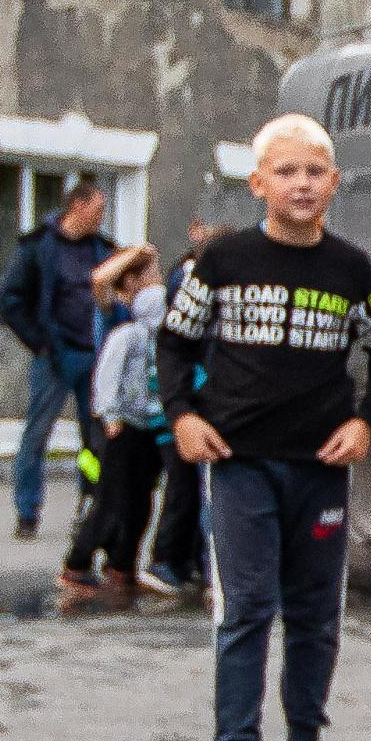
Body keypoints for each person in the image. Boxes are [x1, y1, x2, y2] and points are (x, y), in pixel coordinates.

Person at [159, 115, 371, 741]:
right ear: (258, 183)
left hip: (320, 467)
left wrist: (366, 422)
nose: (301, 184)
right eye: (287, 172)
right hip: (240, 464)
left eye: (314, 172)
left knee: (314, 612)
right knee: (244, 609)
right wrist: (183, 416)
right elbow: (175, 343)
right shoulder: (224, 261)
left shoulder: (352, 269)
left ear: (334, 183)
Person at [0, 180, 116, 540]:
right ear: (77, 206)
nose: (102, 215)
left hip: (93, 356)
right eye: (98, 208)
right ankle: (27, 511)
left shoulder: (102, 249)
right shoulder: (39, 247)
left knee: (94, 440)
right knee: (37, 435)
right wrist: (39, 343)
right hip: (54, 357)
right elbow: (10, 299)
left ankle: (89, 502)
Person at [65, 276, 172, 594]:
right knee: (110, 498)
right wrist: (109, 416)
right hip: (121, 424)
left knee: (140, 501)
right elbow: (106, 376)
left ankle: (123, 563)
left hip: (150, 426)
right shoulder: (127, 336)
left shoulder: (167, 344)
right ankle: (78, 562)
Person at [144, 220, 224, 595]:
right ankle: (204, 572)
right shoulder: (197, 293)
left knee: (195, 492)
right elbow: (178, 350)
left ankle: (195, 568)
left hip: (192, 407)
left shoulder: (190, 287)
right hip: (199, 407)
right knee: (199, 493)